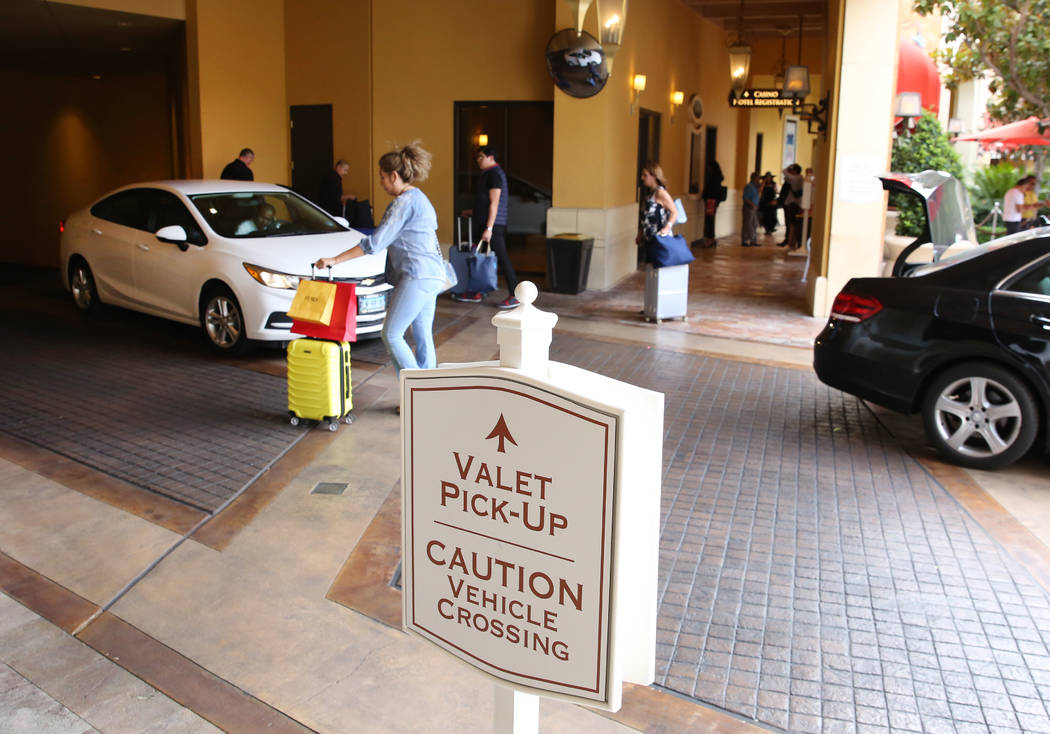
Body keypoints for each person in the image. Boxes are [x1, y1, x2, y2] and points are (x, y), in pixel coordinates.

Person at [315, 143, 445, 378]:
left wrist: (334, 259)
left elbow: (374, 243)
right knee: (423, 334)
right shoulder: (420, 198)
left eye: (382, 177)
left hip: (417, 275)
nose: (382, 183)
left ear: (394, 176)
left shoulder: (403, 203)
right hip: (434, 273)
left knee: (391, 335)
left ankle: (417, 391)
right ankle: (428, 391)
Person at [454, 145, 519, 309]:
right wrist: (472, 212)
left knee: (502, 259)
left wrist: (489, 229)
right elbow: (484, 203)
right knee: (479, 258)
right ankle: (477, 291)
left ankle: (515, 295)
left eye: (481, 157)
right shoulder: (487, 174)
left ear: (491, 158)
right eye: (478, 157)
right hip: (484, 223)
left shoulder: (494, 174)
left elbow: (494, 202)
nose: (478, 160)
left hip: (493, 226)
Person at [635, 162, 677, 255]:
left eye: (645, 175)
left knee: (658, 267)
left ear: (654, 176)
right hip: (649, 240)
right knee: (650, 267)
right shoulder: (649, 194)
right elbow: (645, 217)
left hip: (660, 240)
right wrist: (640, 233)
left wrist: (667, 228)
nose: (642, 178)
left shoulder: (660, 193)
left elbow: (674, 211)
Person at [700, 159, 724, 248]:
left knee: (709, 220)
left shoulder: (713, 179)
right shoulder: (717, 179)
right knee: (710, 220)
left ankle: (710, 239)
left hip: (711, 201)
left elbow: (710, 191)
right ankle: (711, 239)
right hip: (713, 201)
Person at [778, 164, 804, 248]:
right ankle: (789, 241)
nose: (790, 172)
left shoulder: (797, 178)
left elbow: (784, 171)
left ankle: (791, 241)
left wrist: (789, 167)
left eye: (792, 170)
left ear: (795, 171)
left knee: (791, 224)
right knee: (789, 224)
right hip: (790, 204)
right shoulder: (795, 179)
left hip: (793, 204)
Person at [741, 172, 761, 247]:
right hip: (748, 207)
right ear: (755, 178)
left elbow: (759, 191)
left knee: (754, 224)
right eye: (758, 178)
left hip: (754, 208)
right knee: (747, 224)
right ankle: (745, 240)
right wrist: (753, 205)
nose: (759, 180)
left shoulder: (755, 187)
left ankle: (753, 240)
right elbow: (745, 198)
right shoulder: (749, 187)